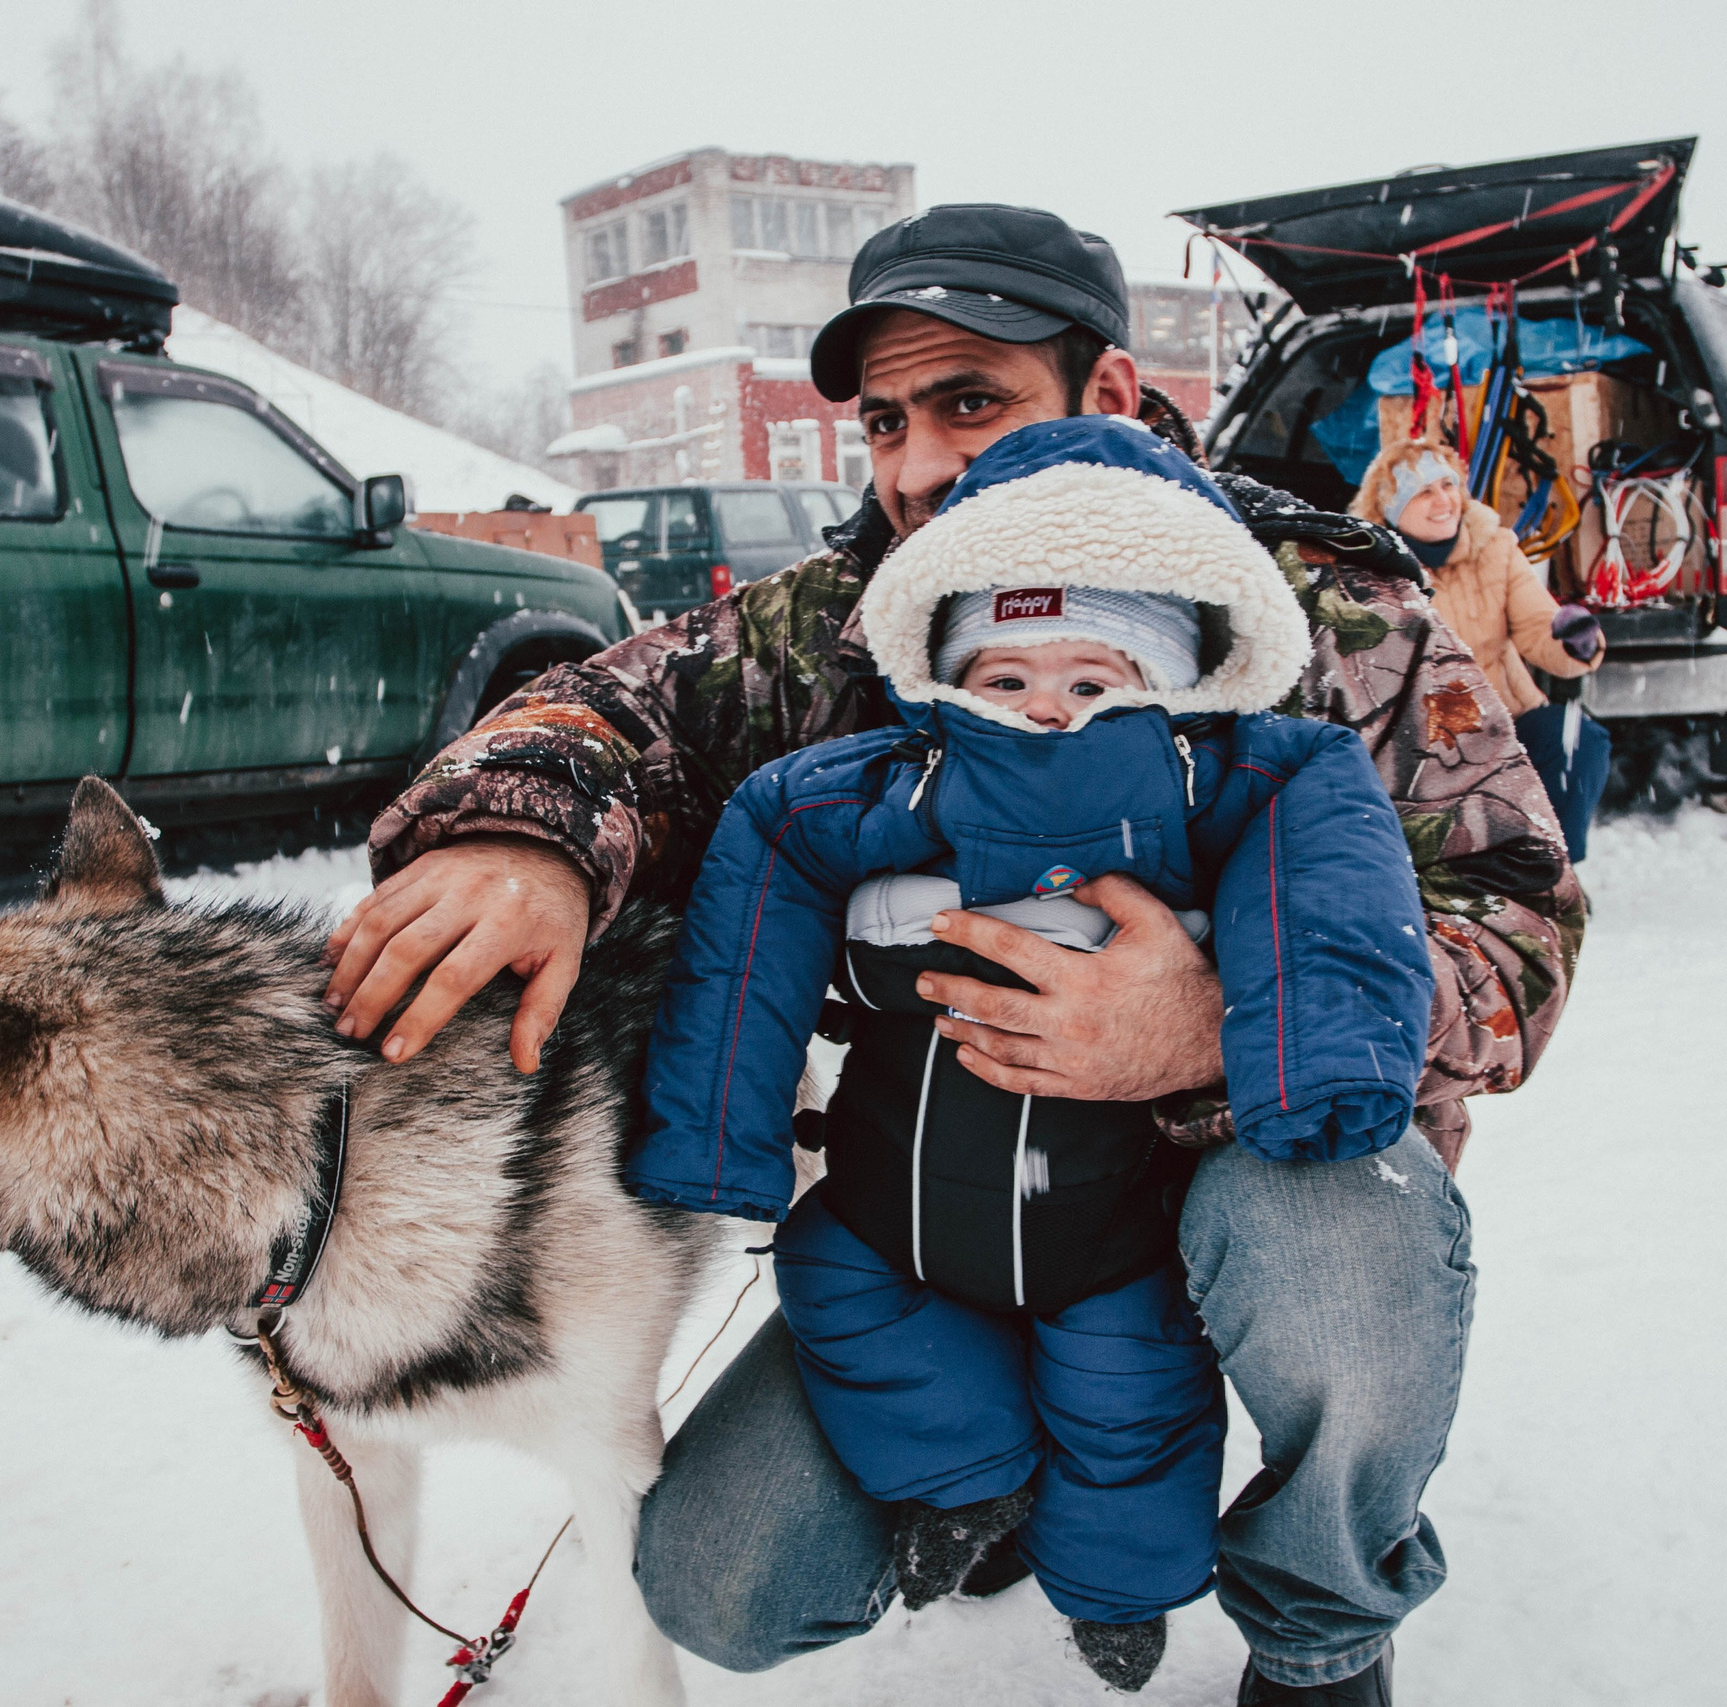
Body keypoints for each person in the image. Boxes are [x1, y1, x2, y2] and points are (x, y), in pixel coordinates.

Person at [323, 203, 1586, 1704]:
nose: (918, 462)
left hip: (1263, 1163)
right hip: (960, 1200)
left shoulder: (1326, 611)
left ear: (1109, 395)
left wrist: (1222, 1025)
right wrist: (519, 828)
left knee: (1343, 1254)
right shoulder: (853, 618)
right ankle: (996, 1463)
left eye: (971, 401)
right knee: (720, 1579)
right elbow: (610, 708)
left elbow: (1517, 902)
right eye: (884, 420)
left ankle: (1319, 1623)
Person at [628, 414, 1435, 1695]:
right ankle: (974, 1487)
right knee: (838, 1289)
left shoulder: (1248, 763)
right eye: (1005, 678)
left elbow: (1336, 879)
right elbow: (763, 855)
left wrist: (1286, 1051)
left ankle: (1208, 1608)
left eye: (1096, 677)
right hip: (894, 1206)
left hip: (1123, 1223)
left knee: (1130, 1397)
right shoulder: (892, 781)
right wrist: (713, 1134)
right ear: (945, 670)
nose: (1047, 707)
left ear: (1176, 675)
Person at [1353, 439, 1609, 859]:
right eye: (1423, 492)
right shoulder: (1372, 571)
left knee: (1577, 739)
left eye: (1448, 485)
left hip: (1509, 720)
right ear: (1391, 510)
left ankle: (1556, 866)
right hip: (1428, 738)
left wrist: (1575, 640)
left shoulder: (1496, 547)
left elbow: (1536, 629)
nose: (1443, 501)